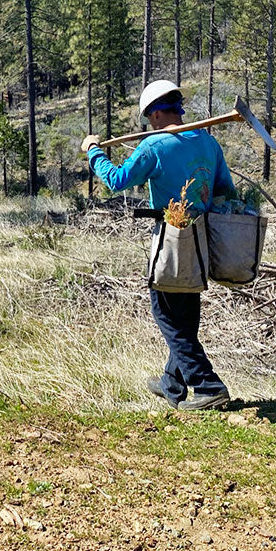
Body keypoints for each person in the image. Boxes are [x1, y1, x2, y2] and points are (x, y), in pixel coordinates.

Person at [82, 79, 237, 411]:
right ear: (177, 109)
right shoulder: (208, 143)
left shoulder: (154, 146)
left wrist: (94, 152)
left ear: (153, 116)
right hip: (203, 240)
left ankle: (209, 386)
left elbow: (116, 180)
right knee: (185, 314)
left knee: (165, 313)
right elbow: (226, 190)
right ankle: (172, 382)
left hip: (171, 239)